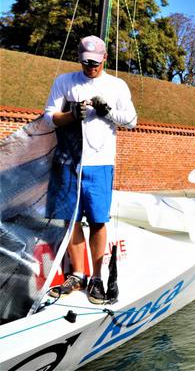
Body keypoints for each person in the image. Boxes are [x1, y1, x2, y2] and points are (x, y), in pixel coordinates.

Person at [44, 35, 137, 304]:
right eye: (86, 62)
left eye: (95, 62)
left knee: (97, 221)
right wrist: (72, 113)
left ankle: (96, 277)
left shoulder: (116, 85)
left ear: (105, 58)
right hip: (67, 161)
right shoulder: (65, 82)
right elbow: (49, 116)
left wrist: (106, 111)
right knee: (69, 219)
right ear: (79, 58)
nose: (91, 67)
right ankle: (78, 274)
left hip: (100, 163)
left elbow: (131, 120)